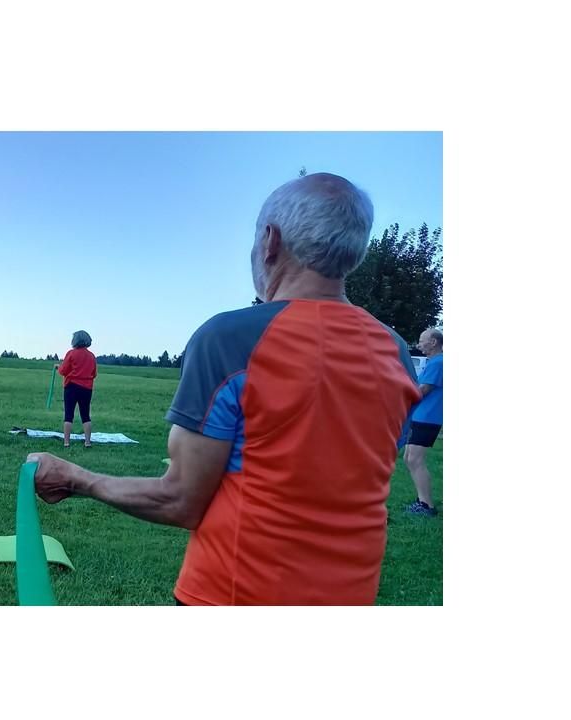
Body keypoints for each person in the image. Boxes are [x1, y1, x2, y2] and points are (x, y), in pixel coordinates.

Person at [28, 173, 423, 605]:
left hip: (233, 593)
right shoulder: (396, 351)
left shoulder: (231, 339)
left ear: (270, 241)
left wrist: (76, 478)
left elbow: (180, 500)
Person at [403, 327, 443, 516]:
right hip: (422, 416)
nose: (419, 344)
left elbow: (423, 390)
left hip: (428, 418)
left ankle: (427, 506)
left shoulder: (438, 363)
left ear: (433, 342)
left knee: (415, 459)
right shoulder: (435, 362)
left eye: (422, 340)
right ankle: (422, 500)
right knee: (409, 458)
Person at [57, 331, 98, 448]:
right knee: (85, 415)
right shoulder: (91, 356)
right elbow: (94, 373)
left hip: (71, 387)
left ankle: (66, 442)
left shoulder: (71, 353)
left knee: (69, 414)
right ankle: (87, 442)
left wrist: (58, 367)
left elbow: (63, 370)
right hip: (87, 388)